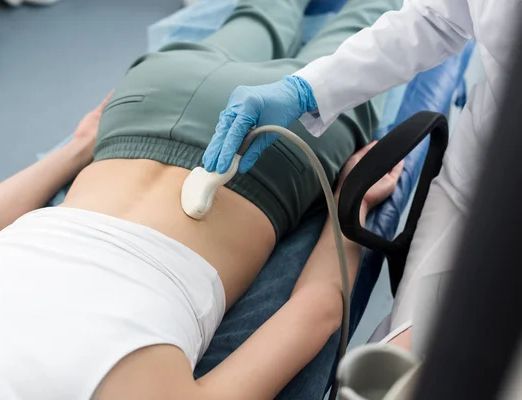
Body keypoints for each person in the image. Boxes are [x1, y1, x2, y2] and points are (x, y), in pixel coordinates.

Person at [0, 0, 404, 399]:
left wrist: (349, 198)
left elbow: (316, 310)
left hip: (269, 161)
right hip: (146, 103)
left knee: (371, 19)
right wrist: (79, 147)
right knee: (261, 12)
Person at [204, 0, 521, 350]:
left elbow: (318, 313)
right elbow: (437, 19)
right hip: (477, 169)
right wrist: (307, 89)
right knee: (405, 354)